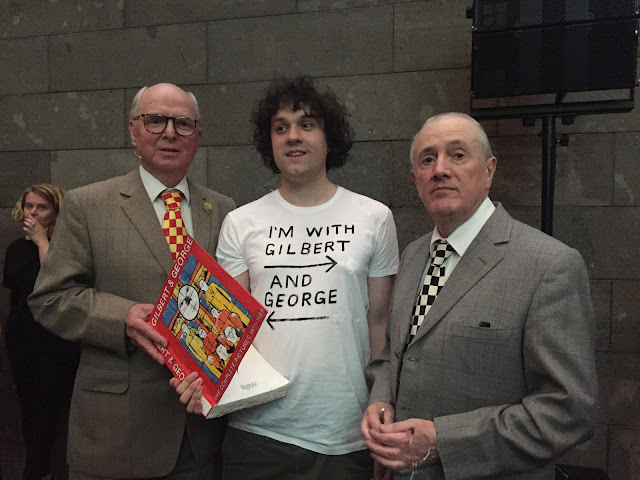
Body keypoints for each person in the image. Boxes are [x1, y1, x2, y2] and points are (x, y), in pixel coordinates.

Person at [175, 75, 399, 479]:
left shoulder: (374, 217)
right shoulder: (241, 222)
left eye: (306, 124)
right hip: (258, 435)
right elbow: (226, 330)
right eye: (280, 128)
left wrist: (383, 410)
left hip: (346, 434)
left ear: (329, 137)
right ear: (270, 142)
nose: (292, 136)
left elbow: (378, 325)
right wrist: (200, 380)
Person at [361, 112, 598, 480]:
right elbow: (396, 354)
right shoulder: (413, 255)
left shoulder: (548, 266)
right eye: (427, 159)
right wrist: (381, 400)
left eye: (457, 155)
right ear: (415, 180)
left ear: (489, 171)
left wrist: (443, 442)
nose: (440, 169)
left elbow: (568, 412)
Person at [28, 83, 235, 480]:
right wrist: (121, 317)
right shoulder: (88, 205)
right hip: (116, 434)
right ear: (133, 131)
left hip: (199, 435)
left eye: (183, 123)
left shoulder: (223, 209)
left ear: (198, 136)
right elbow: (50, 298)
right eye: (155, 120)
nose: (170, 132)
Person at [3, 184, 80, 480]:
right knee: (27, 404)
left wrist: (41, 242)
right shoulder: (15, 249)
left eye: (42, 207)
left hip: (55, 340)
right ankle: (38, 469)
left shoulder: (63, 248)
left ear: (56, 212)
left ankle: (36, 471)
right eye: (29, 206)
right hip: (22, 340)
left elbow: (55, 281)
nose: (33, 213)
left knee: (49, 406)